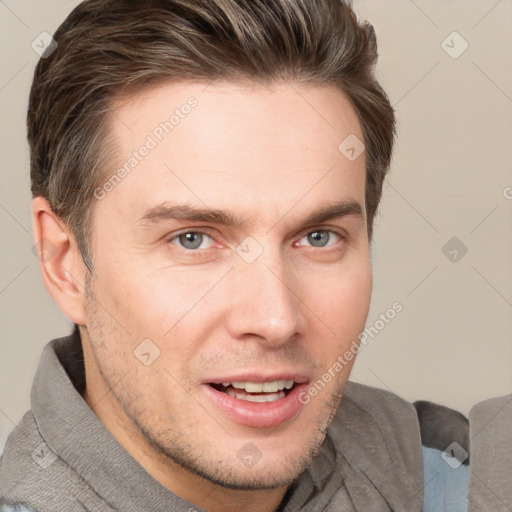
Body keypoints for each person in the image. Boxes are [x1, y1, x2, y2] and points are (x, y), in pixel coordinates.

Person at [0, 0, 432, 510]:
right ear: (65, 263)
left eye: (318, 237)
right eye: (193, 239)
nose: (275, 319)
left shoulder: (451, 469)